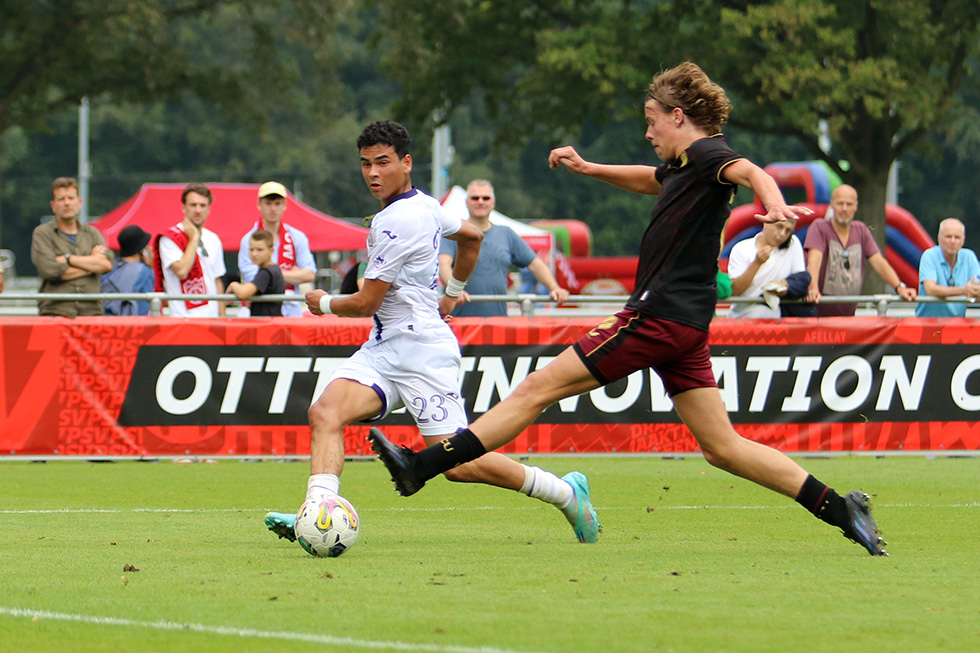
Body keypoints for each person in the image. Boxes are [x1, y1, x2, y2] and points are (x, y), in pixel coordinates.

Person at [368, 62, 888, 556]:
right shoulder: (685, 167)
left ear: (677, 116)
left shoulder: (710, 156)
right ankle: (839, 509)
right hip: (684, 326)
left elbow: (751, 170)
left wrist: (773, 202)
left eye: (651, 120)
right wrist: (589, 167)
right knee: (723, 448)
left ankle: (422, 464)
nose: (648, 132)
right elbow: (649, 179)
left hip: (655, 317)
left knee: (536, 388)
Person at [263, 120, 600, 546]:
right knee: (326, 413)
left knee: (459, 465)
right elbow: (473, 237)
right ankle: (318, 513)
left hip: (422, 352)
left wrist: (322, 303)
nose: (372, 173)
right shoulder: (424, 204)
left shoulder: (397, 222)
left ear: (406, 163)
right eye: (365, 164)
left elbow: (364, 304)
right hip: (385, 348)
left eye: (382, 163)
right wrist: (453, 292)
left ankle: (567, 494)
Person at [439, 180, 569, 317]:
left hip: (497, 322)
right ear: (466, 202)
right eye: (475, 198)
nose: (480, 201)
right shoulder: (456, 233)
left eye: (486, 198)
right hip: (459, 321)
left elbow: (535, 264)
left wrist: (554, 288)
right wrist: (454, 292)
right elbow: (443, 263)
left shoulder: (506, 234)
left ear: (493, 202)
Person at [804, 184, 916, 316]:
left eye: (849, 204)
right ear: (832, 204)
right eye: (840, 204)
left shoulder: (861, 230)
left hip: (850, 312)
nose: (844, 209)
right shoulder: (819, 227)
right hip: (820, 310)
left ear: (856, 206)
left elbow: (879, 262)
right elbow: (814, 260)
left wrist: (899, 287)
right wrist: (812, 288)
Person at [30, 177, 113, 317]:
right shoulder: (42, 233)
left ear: (79, 202)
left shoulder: (93, 233)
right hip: (55, 312)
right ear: (53, 205)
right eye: (61, 199)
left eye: (71, 198)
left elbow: (106, 265)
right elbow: (49, 270)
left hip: (91, 312)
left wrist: (68, 259)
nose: (67, 203)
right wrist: (91, 265)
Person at [236, 181, 316, 317]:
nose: (273, 209)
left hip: (291, 309)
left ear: (284, 205)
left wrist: (270, 275)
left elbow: (310, 274)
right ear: (259, 204)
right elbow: (251, 278)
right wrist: (289, 274)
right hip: (260, 309)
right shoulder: (248, 240)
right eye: (268, 203)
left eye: (277, 203)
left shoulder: (297, 237)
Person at [152, 183, 227, 317]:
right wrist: (193, 239)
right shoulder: (170, 238)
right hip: (182, 318)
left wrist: (223, 319)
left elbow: (217, 281)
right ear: (183, 208)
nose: (198, 210)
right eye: (193, 205)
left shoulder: (213, 238)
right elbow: (181, 271)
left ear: (209, 209)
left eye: (202, 205)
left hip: (211, 319)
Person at [727, 219, 807, 318]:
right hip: (743, 315)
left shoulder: (792, 243)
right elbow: (736, 291)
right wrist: (757, 263)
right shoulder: (741, 249)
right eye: (779, 226)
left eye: (788, 230)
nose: (782, 234)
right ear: (766, 222)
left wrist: (786, 286)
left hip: (775, 315)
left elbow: (800, 279)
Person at [915, 218, 980, 317]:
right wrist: (964, 290)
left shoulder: (969, 256)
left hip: (957, 325)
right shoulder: (929, 255)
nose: (953, 241)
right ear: (939, 239)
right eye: (948, 237)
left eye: (957, 237)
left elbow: (976, 288)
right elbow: (931, 289)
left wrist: (976, 291)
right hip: (929, 324)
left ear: (963, 240)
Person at [227, 229, 286, 317]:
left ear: (271, 251)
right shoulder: (274, 269)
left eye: (260, 250)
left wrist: (233, 285)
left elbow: (243, 293)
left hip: (267, 326)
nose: (254, 254)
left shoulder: (266, 272)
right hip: (270, 323)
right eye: (251, 249)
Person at [101, 225, 155, 316]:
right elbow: (147, 307)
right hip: (131, 325)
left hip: (105, 322)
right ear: (142, 250)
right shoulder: (144, 272)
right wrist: (152, 268)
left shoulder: (108, 267)